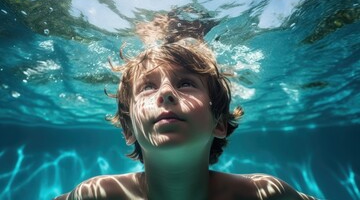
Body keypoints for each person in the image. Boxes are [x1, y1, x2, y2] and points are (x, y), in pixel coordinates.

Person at [54, 37, 318, 200]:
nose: (167, 93)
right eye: (148, 86)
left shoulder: (264, 194)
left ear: (220, 123)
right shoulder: (94, 195)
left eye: (186, 83)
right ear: (129, 129)